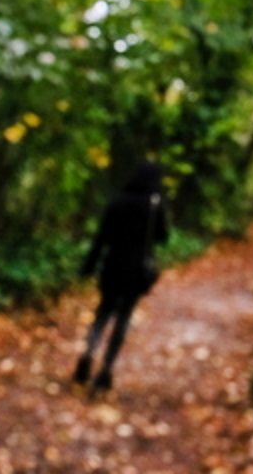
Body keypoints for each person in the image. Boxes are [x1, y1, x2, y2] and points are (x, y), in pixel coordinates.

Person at [73, 160, 169, 392]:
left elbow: (101, 238)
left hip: (112, 266)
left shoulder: (117, 202)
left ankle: (88, 353)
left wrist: (88, 266)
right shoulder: (153, 205)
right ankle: (106, 370)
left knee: (103, 312)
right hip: (136, 271)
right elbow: (163, 236)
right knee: (123, 318)